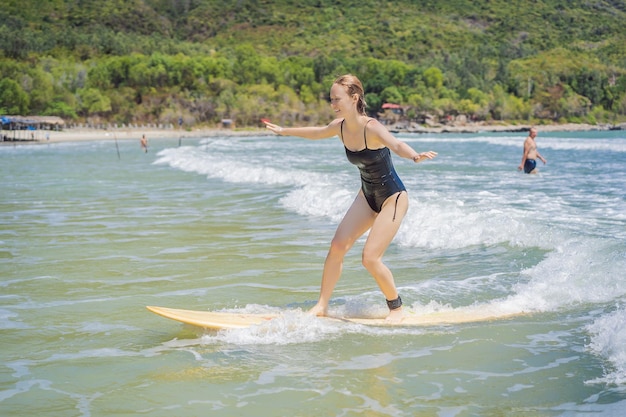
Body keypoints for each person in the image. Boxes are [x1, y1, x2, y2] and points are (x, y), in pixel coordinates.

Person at [265, 74, 437, 323]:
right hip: (367, 195)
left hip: (393, 197)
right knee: (337, 246)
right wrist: (284, 131)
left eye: (337, 99)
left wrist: (414, 156)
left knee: (369, 258)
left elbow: (397, 144)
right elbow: (317, 132)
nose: (333, 103)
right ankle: (322, 305)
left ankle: (396, 308)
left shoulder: (372, 127)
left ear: (354, 98)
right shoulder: (340, 127)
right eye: (331, 99)